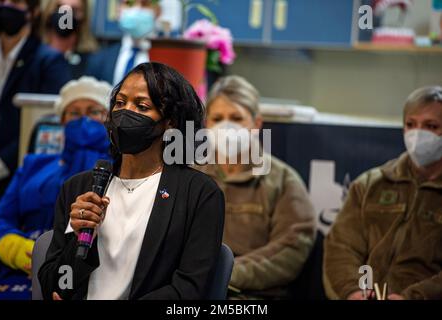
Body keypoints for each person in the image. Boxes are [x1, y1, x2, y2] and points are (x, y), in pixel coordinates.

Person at [38, 62, 225, 300]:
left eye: (142, 106)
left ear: (171, 123)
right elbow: (54, 285)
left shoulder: (198, 194)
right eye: (119, 103)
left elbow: (190, 290)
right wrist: (77, 239)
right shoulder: (79, 188)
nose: (125, 113)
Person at [196, 75, 316, 299]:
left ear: (256, 124)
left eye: (236, 118)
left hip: (253, 297)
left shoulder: (283, 181)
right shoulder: (191, 176)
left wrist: (226, 274)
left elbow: (292, 247)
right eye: (218, 118)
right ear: (207, 124)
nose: (226, 127)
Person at [0, 76, 111, 300]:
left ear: (108, 120)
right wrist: (18, 251)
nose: (84, 120)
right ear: (62, 119)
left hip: (85, 274)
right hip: (19, 272)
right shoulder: (33, 164)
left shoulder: (117, 171)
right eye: (74, 113)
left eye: (94, 112)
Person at [323, 86, 442, 300]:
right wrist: (352, 292)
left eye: (431, 126)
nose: (418, 134)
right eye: (410, 124)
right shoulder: (370, 184)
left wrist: (414, 297)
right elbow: (341, 248)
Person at [0, 0, 72, 210]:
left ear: (33, 12)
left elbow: (46, 123)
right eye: (0, 1)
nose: (6, 6)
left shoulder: (49, 61)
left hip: (13, 175)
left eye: (16, 2)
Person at [86, 0, 160, 85]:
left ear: (158, 10)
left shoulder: (167, 59)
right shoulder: (98, 59)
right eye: (129, 3)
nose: (137, 9)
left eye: (144, 4)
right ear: (118, 10)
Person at [41, 0, 99, 78]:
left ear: (83, 16)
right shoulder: (33, 57)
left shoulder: (93, 62)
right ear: (49, 11)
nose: (65, 15)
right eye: (60, 7)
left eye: (74, 10)